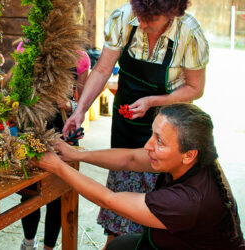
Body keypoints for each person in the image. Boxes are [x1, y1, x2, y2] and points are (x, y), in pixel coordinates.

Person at [62, 0, 209, 246]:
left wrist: (153, 101)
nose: (141, 22)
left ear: (171, 14)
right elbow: (101, 70)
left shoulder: (189, 32)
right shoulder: (124, 17)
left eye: (150, 19)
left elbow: (195, 88)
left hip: (168, 127)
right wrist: (80, 111)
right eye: (140, 15)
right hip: (126, 120)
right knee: (120, 194)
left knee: (156, 209)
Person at [33, 103, 245, 250]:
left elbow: (108, 200)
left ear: (189, 155)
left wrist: (58, 167)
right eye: (152, 134)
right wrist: (75, 154)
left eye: (159, 141)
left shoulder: (187, 201)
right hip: (171, 242)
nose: (148, 145)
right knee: (118, 245)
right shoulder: (197, 159)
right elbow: (131, 159)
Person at [19, 48, 90, 250]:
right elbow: (17, 90)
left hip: (63, 136)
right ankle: (28, 243)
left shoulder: (80, 58)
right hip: (32, 132)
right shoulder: (27, 47)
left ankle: (48, 247)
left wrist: (68, 104)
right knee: (29, 194)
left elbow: (82, 105)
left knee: (57, 197)